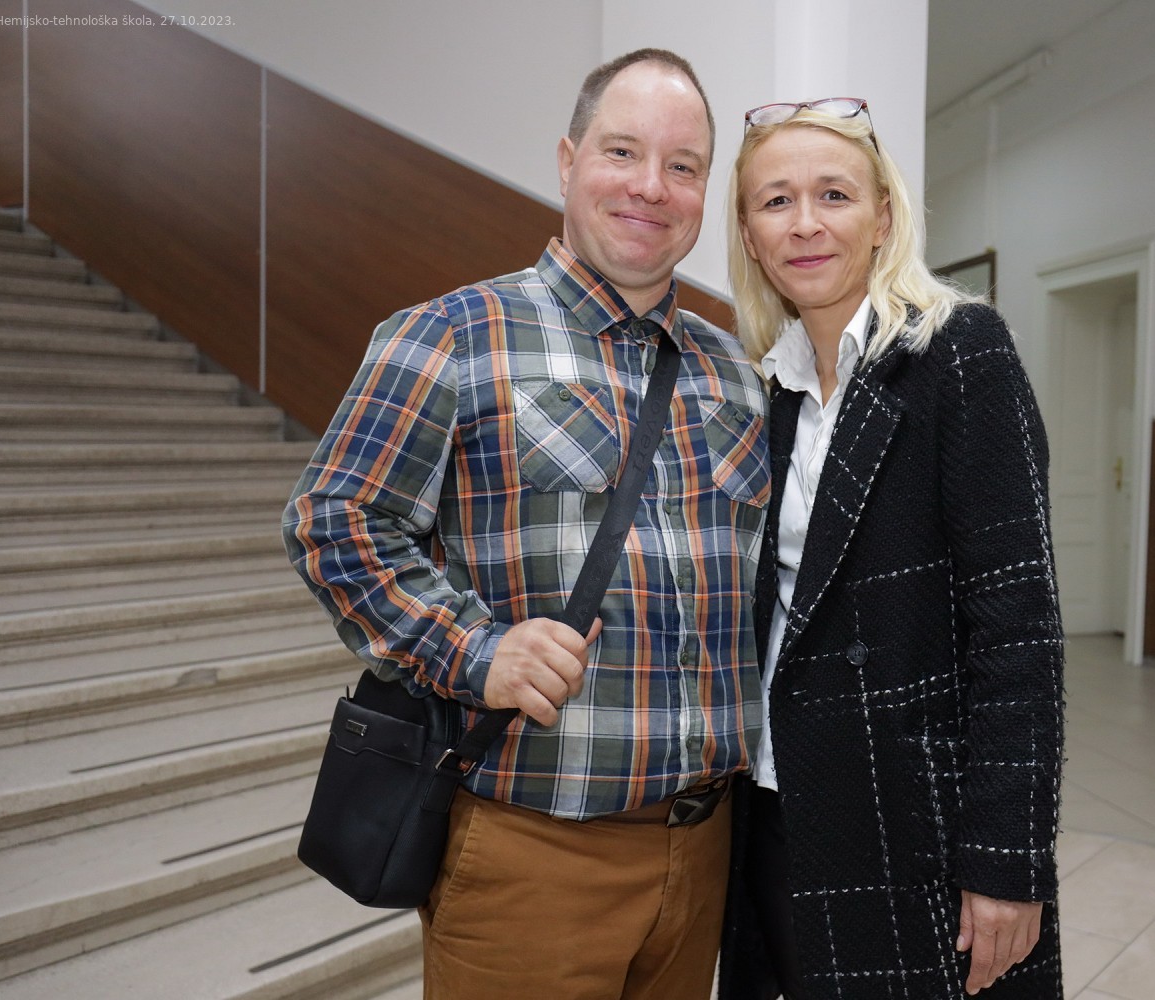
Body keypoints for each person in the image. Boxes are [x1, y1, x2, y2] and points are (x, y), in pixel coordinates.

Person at [283, 49, 770, 1000]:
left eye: (682, 166)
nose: (651, 186)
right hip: (531, 856)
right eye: (622, 151)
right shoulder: (452, 335)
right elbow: (334, 521)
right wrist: (473, 650)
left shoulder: (737, 374)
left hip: (707, 852)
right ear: (567, 160)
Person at [717, 98, 1065, 999]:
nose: (805, 223)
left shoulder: (959, 353)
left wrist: (1007, 858)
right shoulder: (768, 390)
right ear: (750, 236)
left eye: (833, 194)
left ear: (881, 216)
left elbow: (1018, 631)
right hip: (776, 801)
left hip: (915, 820)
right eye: (775, 201)